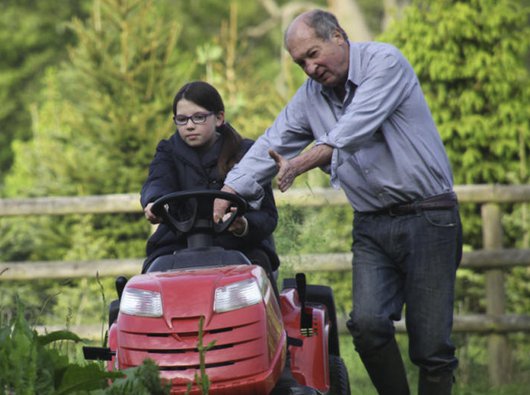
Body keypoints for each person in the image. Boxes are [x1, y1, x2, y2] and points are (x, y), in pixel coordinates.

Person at [214, 9, 462, 395]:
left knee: (431, 347)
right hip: (371, 225)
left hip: (429, 217)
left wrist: (298, 164)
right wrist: (227, 193)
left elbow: (353, 129)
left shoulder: (385, 63)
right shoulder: (309, 98)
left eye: (314, 54)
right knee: (366, 326)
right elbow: (269, 144)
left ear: (339, 36)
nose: (310, 68)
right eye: (300, 63)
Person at [140, 81, 279, 285]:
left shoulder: (247, 153)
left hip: (240, 245)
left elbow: (267, 215)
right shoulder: (167, 152)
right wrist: (153, 202)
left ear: (219, 118)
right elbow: (158, 181)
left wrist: (244, 225)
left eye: (198, 117)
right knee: (150, 280)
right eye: (182, 119)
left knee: (257, 272)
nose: (189, 125)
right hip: (177, 242)